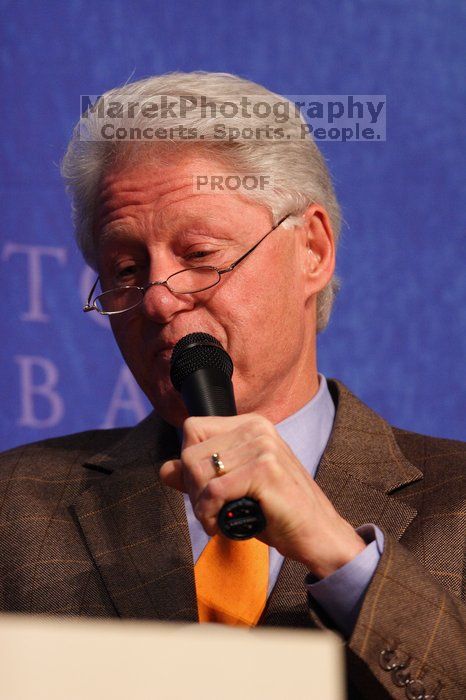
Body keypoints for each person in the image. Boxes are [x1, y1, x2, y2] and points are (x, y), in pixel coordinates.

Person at [1, 72, 464, 699]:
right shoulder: (16, 507)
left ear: (313, 250)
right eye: (127, 270)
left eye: (199, 254)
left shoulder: (455, 501)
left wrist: (344, 560)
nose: (159, 302)